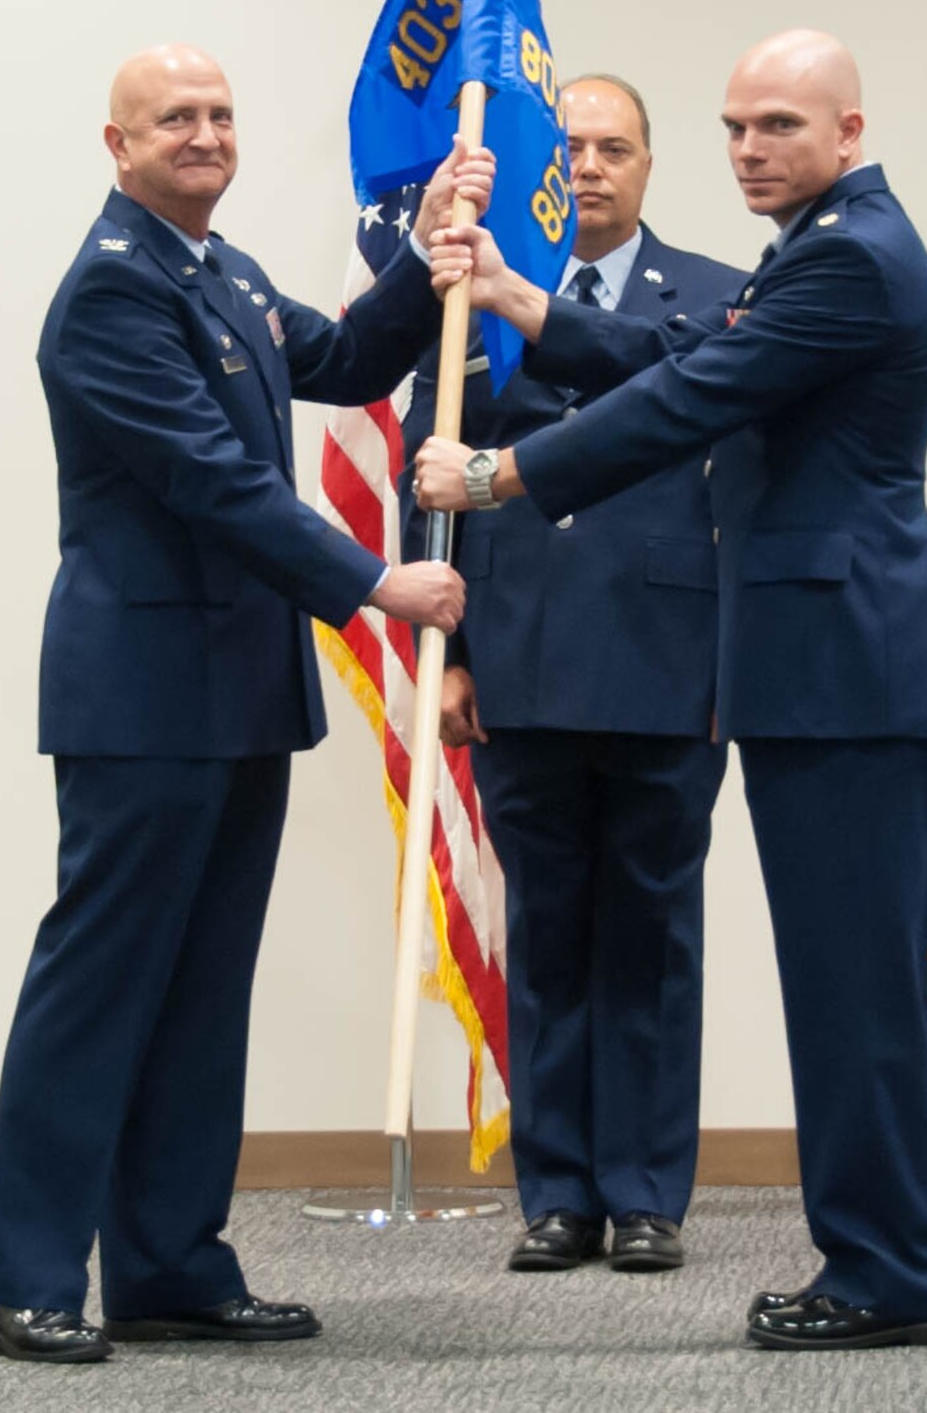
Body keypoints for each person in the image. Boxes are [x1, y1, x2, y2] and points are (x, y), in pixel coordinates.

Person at [415, 29, 927, 1350]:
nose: (747, 149)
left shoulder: (850, 255)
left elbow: (690, 403)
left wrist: (499, 478)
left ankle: (891, 1276)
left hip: (848, 679)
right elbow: (682, 364)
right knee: (848, 991)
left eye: (778, 125)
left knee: (857, 997)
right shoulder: (825, 246)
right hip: (824, 677)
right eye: (734, 126)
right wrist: (520, 299)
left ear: (849, 130)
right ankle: (886, 1261)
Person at [0, 44, 488, 1364]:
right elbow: (217, 485)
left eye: (219, 114)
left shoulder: (225, 272)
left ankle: (168, 1266)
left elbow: (353, 358)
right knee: (99, 988)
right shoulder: (112, 294)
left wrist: (426, 250)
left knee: (201, 992)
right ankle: (20, 1274)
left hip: (238, 693)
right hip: (142, 695)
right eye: (174, 119)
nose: (204, 135)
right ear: (118, 145)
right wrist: (379, 582)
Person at [404, 76, 741, 1274]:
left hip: (667, 657)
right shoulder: (466, 307)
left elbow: (664, 385)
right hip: (517, 651)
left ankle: (645, 1191)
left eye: (614, 147)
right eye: (573, 150)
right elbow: (425, 453)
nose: (590, 167)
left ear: (650, 164)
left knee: (650, 929)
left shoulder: (712, 295)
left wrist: (521, 297)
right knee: (544, 930)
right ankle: (557, 1193)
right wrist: (435, 647)